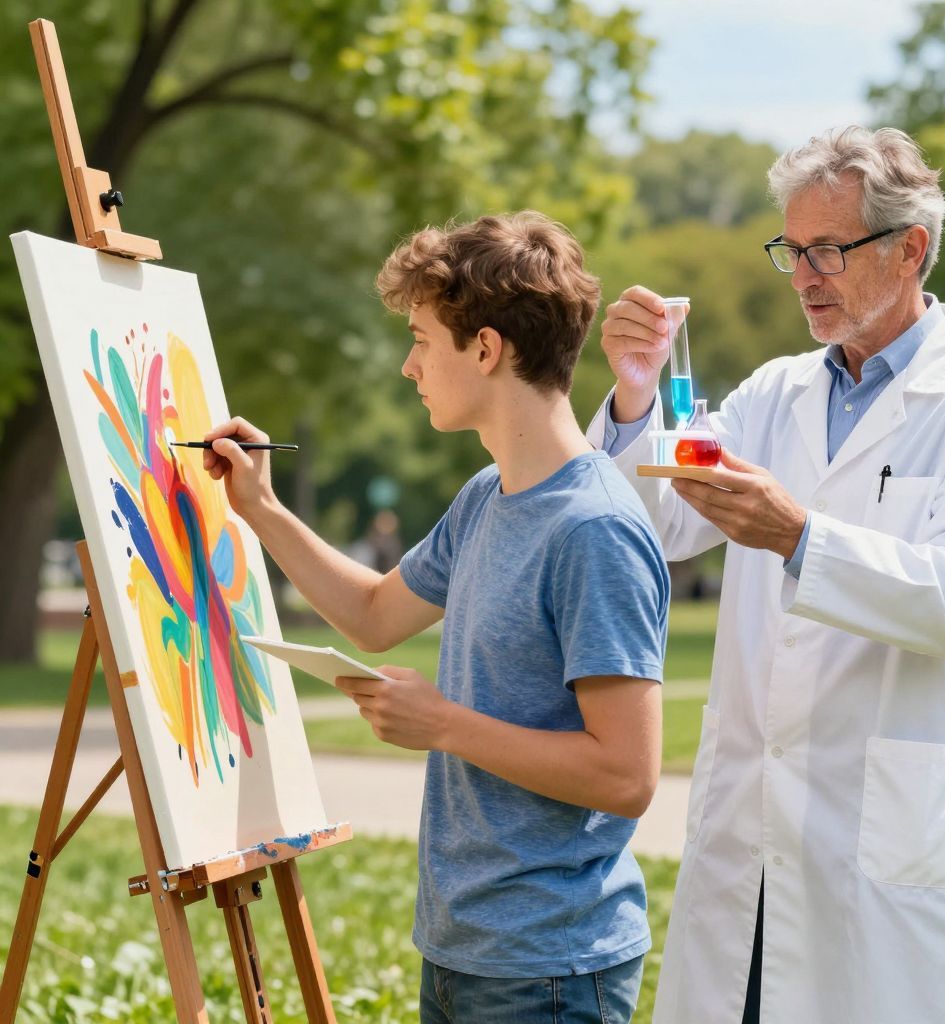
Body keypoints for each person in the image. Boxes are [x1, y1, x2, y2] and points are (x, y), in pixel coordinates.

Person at [590, 126, 945, 1024]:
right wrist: (638, 395)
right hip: (751, 835)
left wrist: (803, 538)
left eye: (830, 250)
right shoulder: (773, 393)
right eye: (793, 251)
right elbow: (662, 518)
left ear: (910, 248)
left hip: (887, 846)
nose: (805, 275)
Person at [202, 213, 669, 1023]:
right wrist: (262, 509)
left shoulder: (594, 529)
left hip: (548, 970)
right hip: (463, 949)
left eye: (421, 339)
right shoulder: (486, 497)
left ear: (486, 349)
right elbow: (376, 616)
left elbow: (627, 777)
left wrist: (444, 724)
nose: (408, 364)